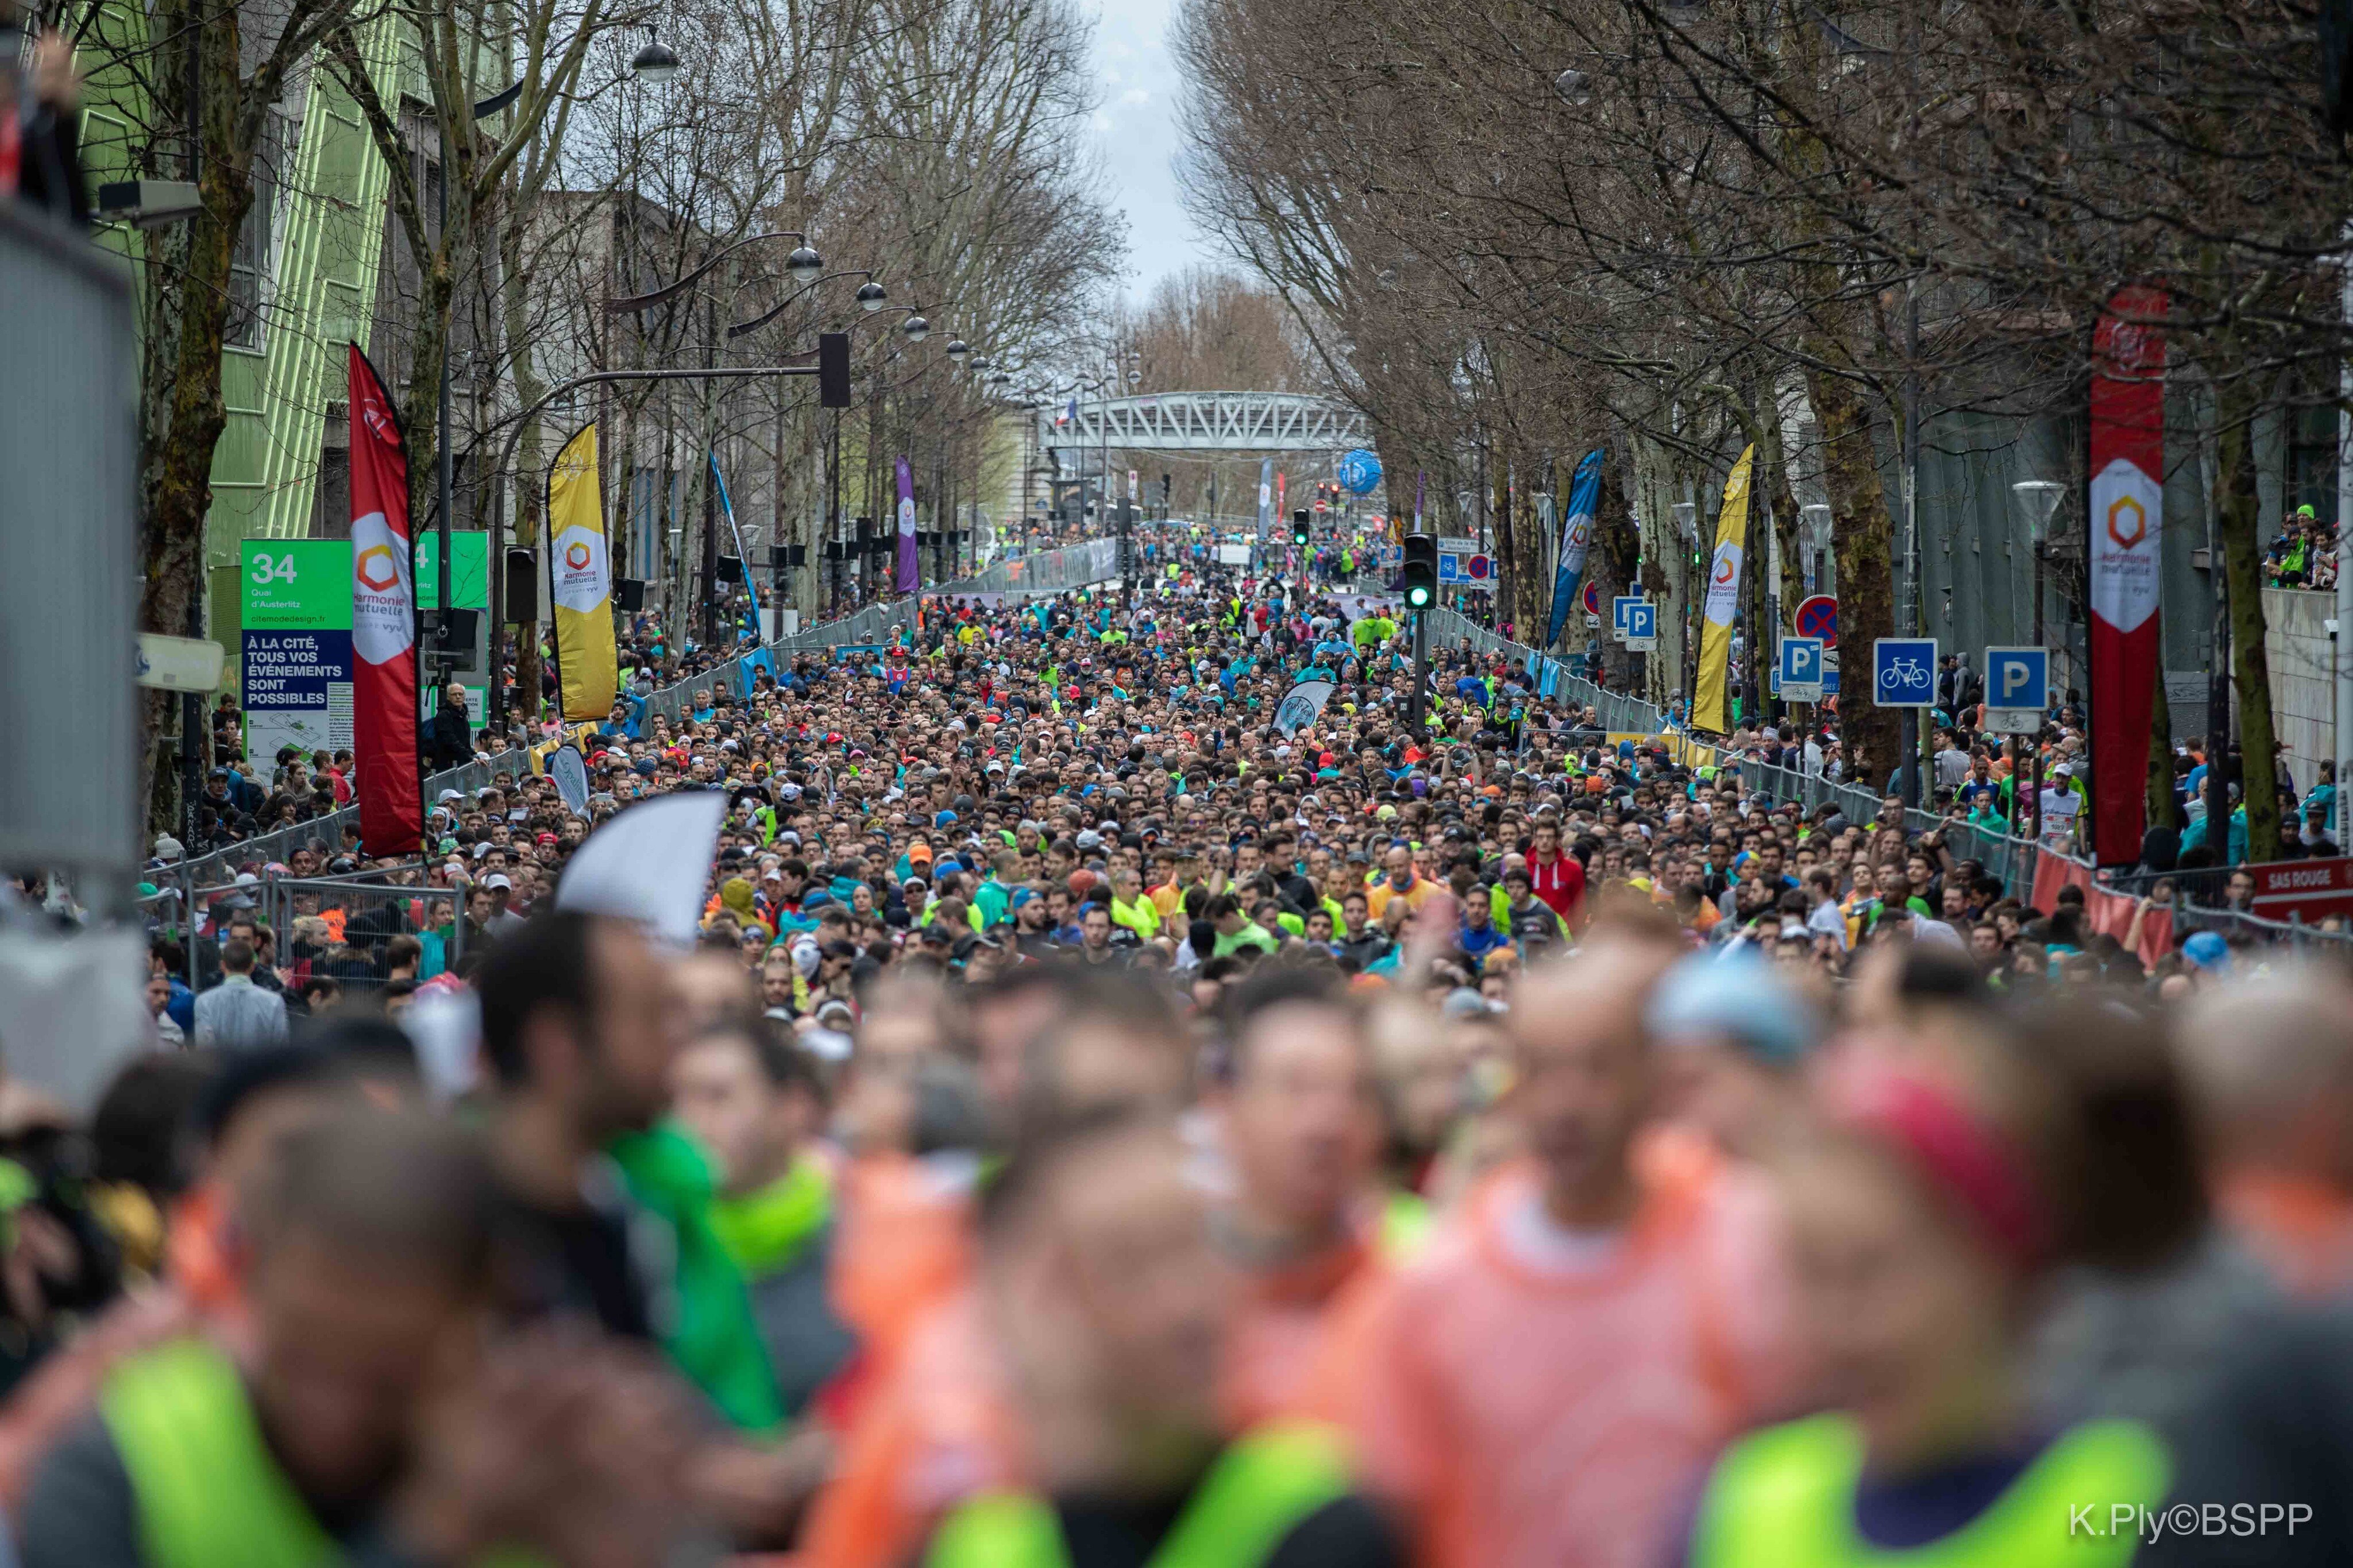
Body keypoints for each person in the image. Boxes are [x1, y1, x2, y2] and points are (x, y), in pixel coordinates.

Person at [1320, 930, 1794, 1568]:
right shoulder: (1434, 1284)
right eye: (1541, 1068)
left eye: (1597, 1067)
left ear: (1650, 1078)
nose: (1566, 1103)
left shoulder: (1748, 1240)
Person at [1668, 1050, 2170, 1568]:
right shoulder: (1736, 1504)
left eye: (1870, 1269)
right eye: (1809, 1274)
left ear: (1995, 1265)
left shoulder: (2131, 1503)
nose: (1837, 1327)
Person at [916, 1115, 1403, 1568]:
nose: (1186, 1305)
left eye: (1199, 1246)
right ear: (1039, 1304)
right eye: (1130, 1265)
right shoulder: (979, 1544)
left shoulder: (1314, 1513)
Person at [670, 1016, 859, 1420]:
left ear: (791, 1108)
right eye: (676, 1100)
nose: (689, 1121)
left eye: (717, 1097)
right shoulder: (659, 1243)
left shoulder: (860, 1230)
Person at [190, 939, 288, 1050]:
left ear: (222, 965)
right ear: (252, 966)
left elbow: (205, 1048)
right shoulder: (274, 1002)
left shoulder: (204, 1002)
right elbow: (281, 1046)